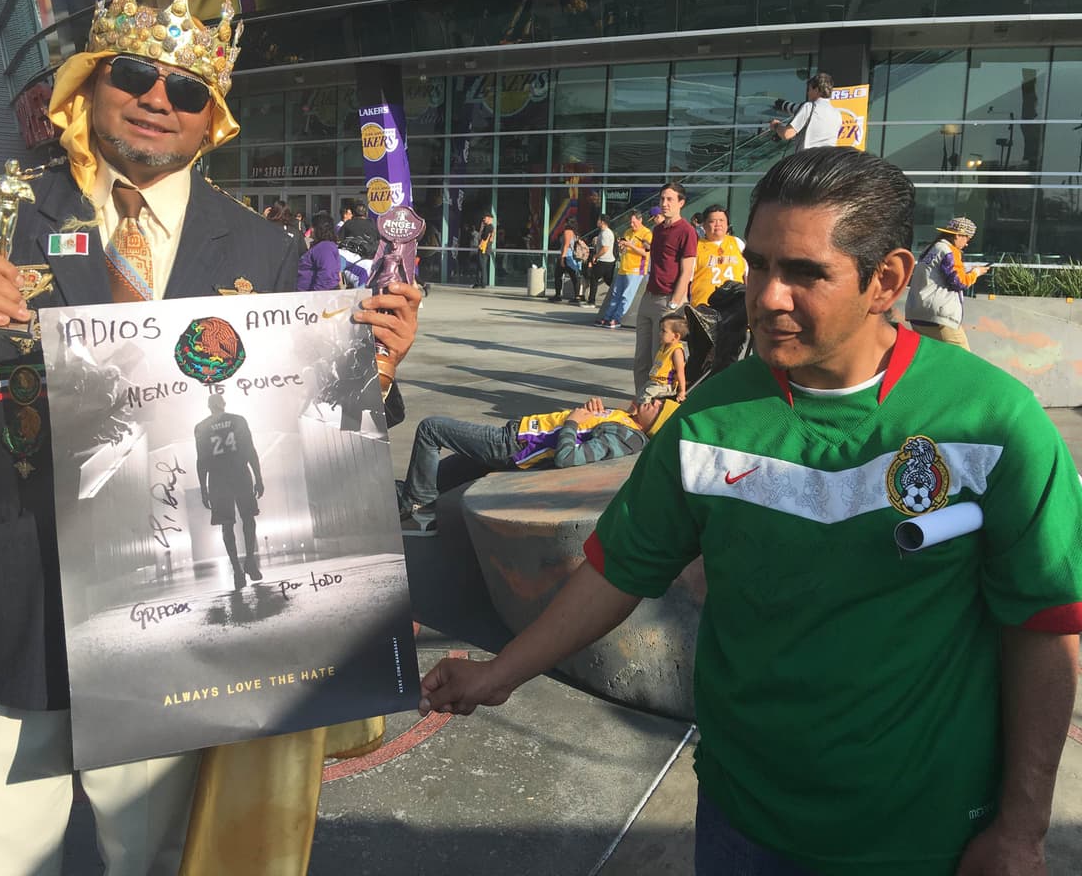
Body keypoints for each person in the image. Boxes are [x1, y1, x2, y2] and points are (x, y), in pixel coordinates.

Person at [0, 0, 421, 876]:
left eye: (189, 90)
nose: (160, 100)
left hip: (178, 634)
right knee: (1, 865)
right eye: (134, 75)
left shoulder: (265, 248)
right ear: (89, 86)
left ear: (214, 117)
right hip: (24, 618)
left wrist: (374, 371)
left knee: (155, 859)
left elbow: (315, 425)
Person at [418, 147, 1082, 876]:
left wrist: (1022, 830)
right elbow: (618, 570)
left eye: (804, 273)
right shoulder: (711, 419)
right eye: (760, 265)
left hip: (926, 834)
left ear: (886, 280)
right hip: (742, 824)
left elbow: (1045, 627)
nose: (767, 296)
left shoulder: (995, 423)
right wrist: (501, 673)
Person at [398, 396, 677, 537]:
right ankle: (407, 501)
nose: (653, 401)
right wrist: (592, 412)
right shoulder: (625, 421)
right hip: (517, 437)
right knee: (430, 476)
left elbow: (569, 458)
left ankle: (419, 508)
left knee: (431, 429)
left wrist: (573, 421)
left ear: (656, 426)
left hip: (513, 445)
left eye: (659, 407)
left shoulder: (629, 437)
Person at [633, 183, 696, 400]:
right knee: (641, 358)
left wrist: (673, 305)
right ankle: (641, 402)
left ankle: (656, 405)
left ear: (681, 202)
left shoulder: (686, 231)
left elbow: (686, 270)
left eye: (670, 199)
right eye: (662, 199)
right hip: (649, 297)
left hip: (669, 300)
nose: (664, 204)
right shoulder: (658, 230)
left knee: (659, 359)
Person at [195, 392, 264, 589]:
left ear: (209, 407)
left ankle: (237, 570)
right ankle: (250, 561)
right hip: (240, 474)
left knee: (227, 525)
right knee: (248, 518)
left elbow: (202, 460)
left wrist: (203, 487)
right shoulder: (238, 420)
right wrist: (258, 477)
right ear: (224, 404)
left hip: (218, 479)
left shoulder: (201, 427)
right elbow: (250, 450)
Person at [905, 216, 988, 351]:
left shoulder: (931, 249)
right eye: (967, 238)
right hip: (938, 317)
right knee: (963, 358)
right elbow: (959, 282)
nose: (966, 244)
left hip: (917, 314)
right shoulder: (950, 251)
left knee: (934, 359)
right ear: (958, 235)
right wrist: (976, 273)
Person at [595, 211, 651, 328]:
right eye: (630, 222)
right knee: (615, 294)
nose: (632, 224)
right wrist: (622, 247)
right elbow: (624, 250)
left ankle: (617, 318)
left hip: (636, 269)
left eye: (634, 222)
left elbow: (646, 253)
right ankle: (607, 317)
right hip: (624, 268)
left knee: (626, 296)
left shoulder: (646, 234)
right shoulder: (628, 232)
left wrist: (630, 245)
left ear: (640, 220)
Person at [689, 204, 747, 307]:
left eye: (721, 220)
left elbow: (748, 275)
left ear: (727, 224)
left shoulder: (737, 243)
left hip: (735, 306)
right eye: (712, 221)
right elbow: (686, 279)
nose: (718, 224)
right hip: (704, 307)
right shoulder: (695, 247)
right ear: (704, 225)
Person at [770, 71, 841, 151]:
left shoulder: (809, 107)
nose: (808, 93)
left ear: (817, 90)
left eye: (809, 89)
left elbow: (787, 134)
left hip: (808, 160)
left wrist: (776, 125)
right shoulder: (837, 113)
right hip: (827, 160)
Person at [641, 313, 688, 403]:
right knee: (642, 391)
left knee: (645, 396)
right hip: (655, 382)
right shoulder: (664, 346)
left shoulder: (676, 351)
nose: (660, 333)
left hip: (665, 385)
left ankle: (643, 413)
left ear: (676, 336)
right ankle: (637, 412)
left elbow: (680, 373)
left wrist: (682, 391)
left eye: (664, 331)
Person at [296, 210, 342, 290]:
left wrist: (315, 296)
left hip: (314, 297)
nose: (311, 230)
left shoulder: (324, 248)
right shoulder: (320, 246)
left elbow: (327, 276)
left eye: (313, 227)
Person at [587, 215, 615, 306]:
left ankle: (591, 301)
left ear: (602, 222)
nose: (597, 221)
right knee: (608, 280)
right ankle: (615, 296)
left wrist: (596, 256)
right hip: (609, 261)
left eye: (598, 220)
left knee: (594, 278)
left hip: (604, 260)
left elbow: (605, 248)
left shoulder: (605, 233)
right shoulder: (605, 232)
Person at [552, 223, 583, 302]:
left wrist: (562, 258)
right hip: (572, 257)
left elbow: (566, 245)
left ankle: (558, 295)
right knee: (574, 276)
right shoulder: (575, 233)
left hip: (566, 256)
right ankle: (577, 296)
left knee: (558, 275)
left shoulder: (567, 232)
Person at [473, 211, 494, 288]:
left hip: (483, 249)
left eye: (485, 218)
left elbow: (484, 237)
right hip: (484, 249)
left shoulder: (489, 227)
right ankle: (479, 282)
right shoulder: (488, 227)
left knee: (482, 266)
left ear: (489, 218)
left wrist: (480, 244)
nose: (483, 219)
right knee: (480, 266)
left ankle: (482, 283)